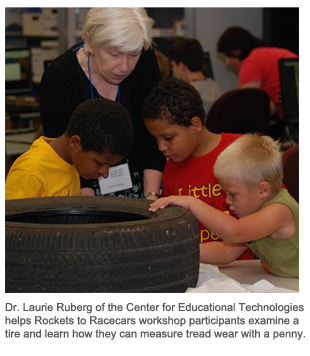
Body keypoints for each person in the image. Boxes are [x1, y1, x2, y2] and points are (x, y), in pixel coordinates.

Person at [40, 7, 165, 199]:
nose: (124, 66)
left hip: (141, 177)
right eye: (114, 55)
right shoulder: (60, 77)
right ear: (90, 41)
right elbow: (64, 153)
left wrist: (151, 195)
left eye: (133, 55)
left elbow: (155, 131)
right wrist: (88, 208)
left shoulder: (144, 59)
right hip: (80, 186)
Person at [149, 134, 299, 278]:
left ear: (263, 190)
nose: (227, 201)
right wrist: (176, 250)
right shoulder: (253, 212)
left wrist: (191, 202)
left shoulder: (279, 210)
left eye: (233, 194)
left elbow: (235, 232)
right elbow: (225, 252)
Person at [143, 78, 255, 260]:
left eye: (169, 138)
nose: (161, 147)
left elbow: (273, 211)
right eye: (156, 139)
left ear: (195, 125)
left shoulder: (243, 151)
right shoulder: (171, 165)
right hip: (197, 268)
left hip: (248, 272)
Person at [5, 98, 134, 200]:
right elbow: (9, 226)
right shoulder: (31, 171)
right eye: (99, 163)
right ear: (75, 143)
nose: (105, 173)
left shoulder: (72, 162)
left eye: (109, 166)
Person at [217, 26, 298, 120]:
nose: (227, 63)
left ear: (236, 51)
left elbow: (248, 105)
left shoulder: (250, 63)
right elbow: (275, 103)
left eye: (226, 57)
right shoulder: (265, 54)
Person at [169, 38, 222, 115]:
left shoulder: (183, 96)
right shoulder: (217, 89)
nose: (172, 70)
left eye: (172, 65)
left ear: (181, 66)